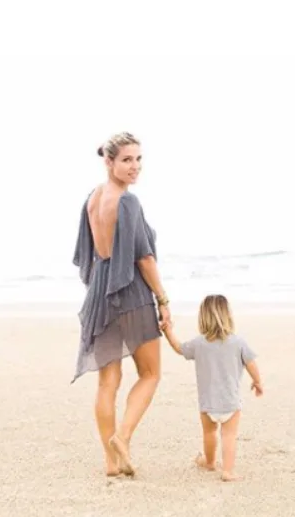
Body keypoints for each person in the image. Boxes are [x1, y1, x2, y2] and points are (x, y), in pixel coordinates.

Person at [72, 132, 171, 477]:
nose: (135, 166)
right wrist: (163, 299)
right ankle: (123, 438)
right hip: (130, 292)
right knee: (151, 373)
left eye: (139, 159)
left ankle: (110, 463)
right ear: (109, 162)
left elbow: (89, 255)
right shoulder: (128, 202)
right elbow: (143, 258)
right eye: (127, 160)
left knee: (107, 383)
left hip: (100, 292)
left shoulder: (92, 198)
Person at [161, 294, 263, 482]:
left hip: (207, 404)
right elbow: (251, 363)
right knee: (229, 435)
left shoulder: (199, 343)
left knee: (209, 433)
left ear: (203, 318)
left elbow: (178, 347)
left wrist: (168, 331)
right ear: (228, 316)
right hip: (230, 403)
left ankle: (209, 462)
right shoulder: (238, 342)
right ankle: (227, 471)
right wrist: (257, 382)